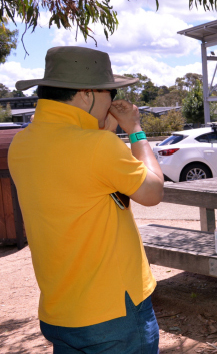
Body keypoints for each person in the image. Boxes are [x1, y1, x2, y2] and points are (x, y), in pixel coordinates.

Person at [8, 46, 164, 353]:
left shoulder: (21, 144)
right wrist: (135, 131)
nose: (112, 101)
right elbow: (153, 191)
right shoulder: (98, 147)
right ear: (87, 93)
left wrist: (98, 128)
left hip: (60, 312)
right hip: (113, 313)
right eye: (109, 93)